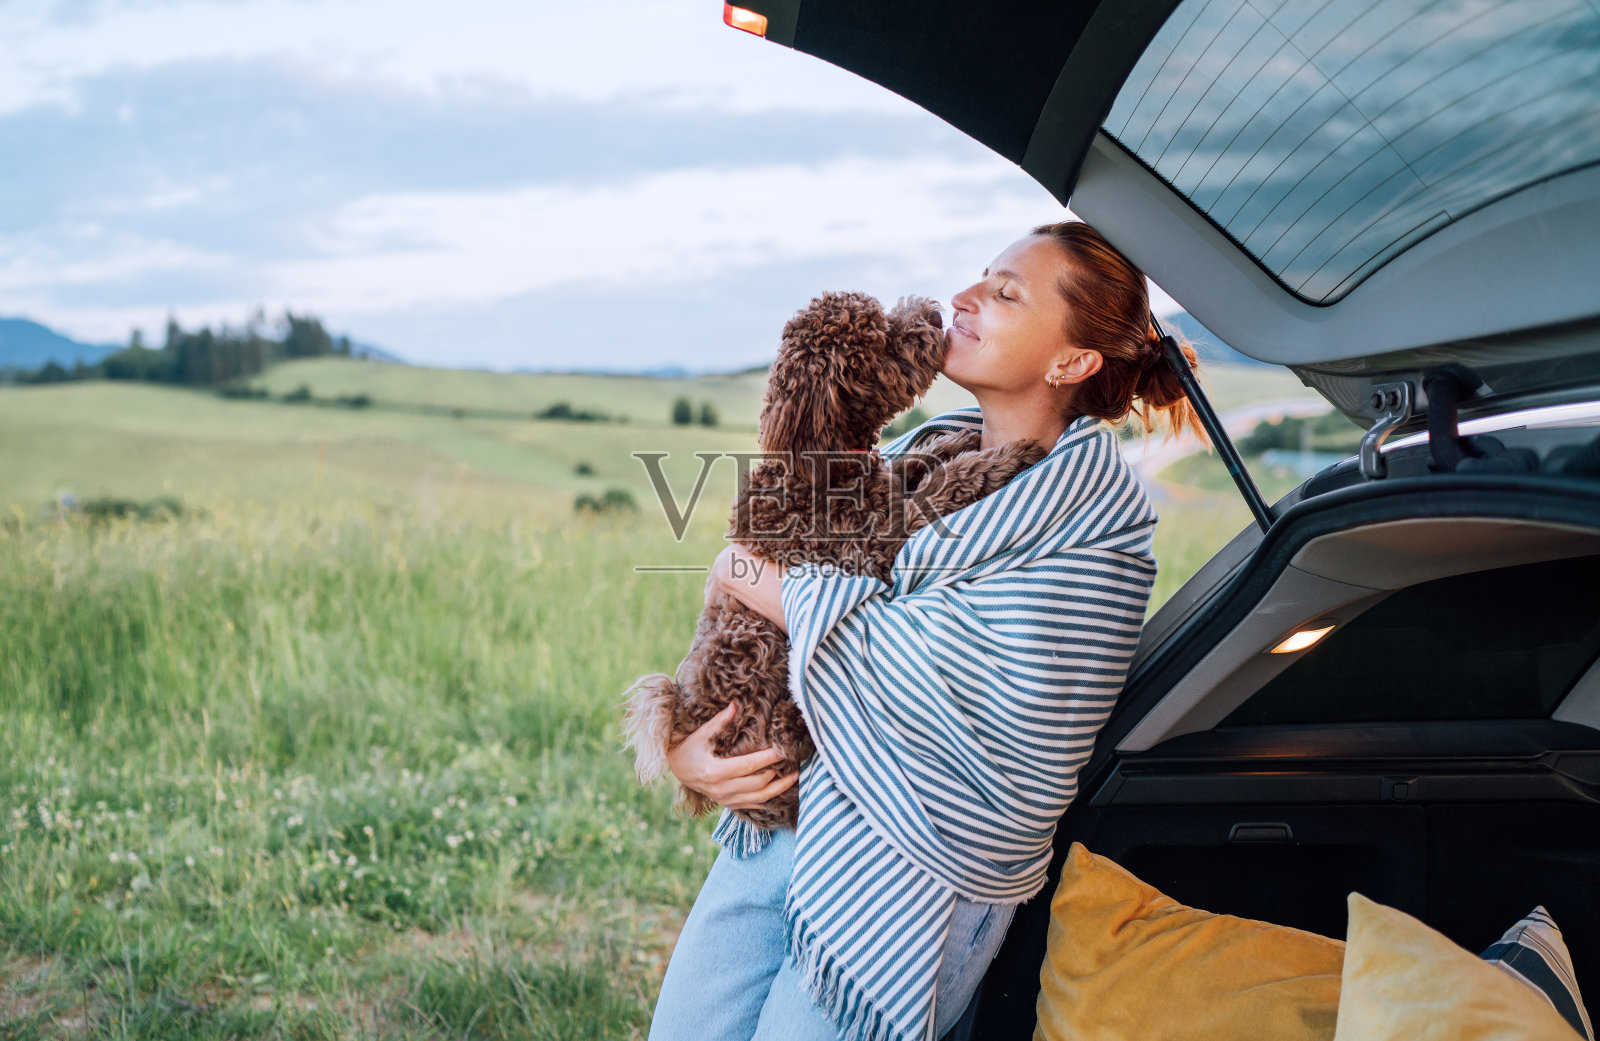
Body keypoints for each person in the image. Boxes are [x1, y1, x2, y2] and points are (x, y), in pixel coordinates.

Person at [646, 220, 1203, 1041]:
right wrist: (690, 752)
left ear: (1072, 360)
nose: (965, 297)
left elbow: (933, 677)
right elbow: (768, 611)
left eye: (1005, 292)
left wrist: (750, 577)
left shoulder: (1093, 530)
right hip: (788, 819)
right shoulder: (916, 457)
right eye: (980, 276)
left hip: (909, 871)